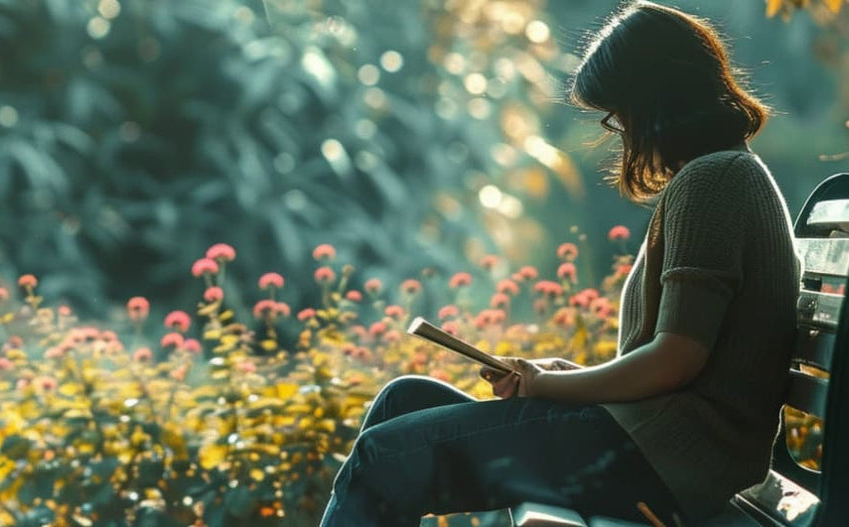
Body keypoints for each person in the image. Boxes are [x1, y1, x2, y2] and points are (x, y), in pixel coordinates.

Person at [319, 2, 803, 525]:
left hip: (662, 464)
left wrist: (548, 386)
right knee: (402, 402)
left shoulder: (715, 182)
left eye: (619, 114)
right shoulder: (723, 175)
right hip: (646, 448)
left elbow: (674, 360)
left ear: (654, 101)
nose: (620, 132)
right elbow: (676, 362)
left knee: (382, 458)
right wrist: (564, 376)